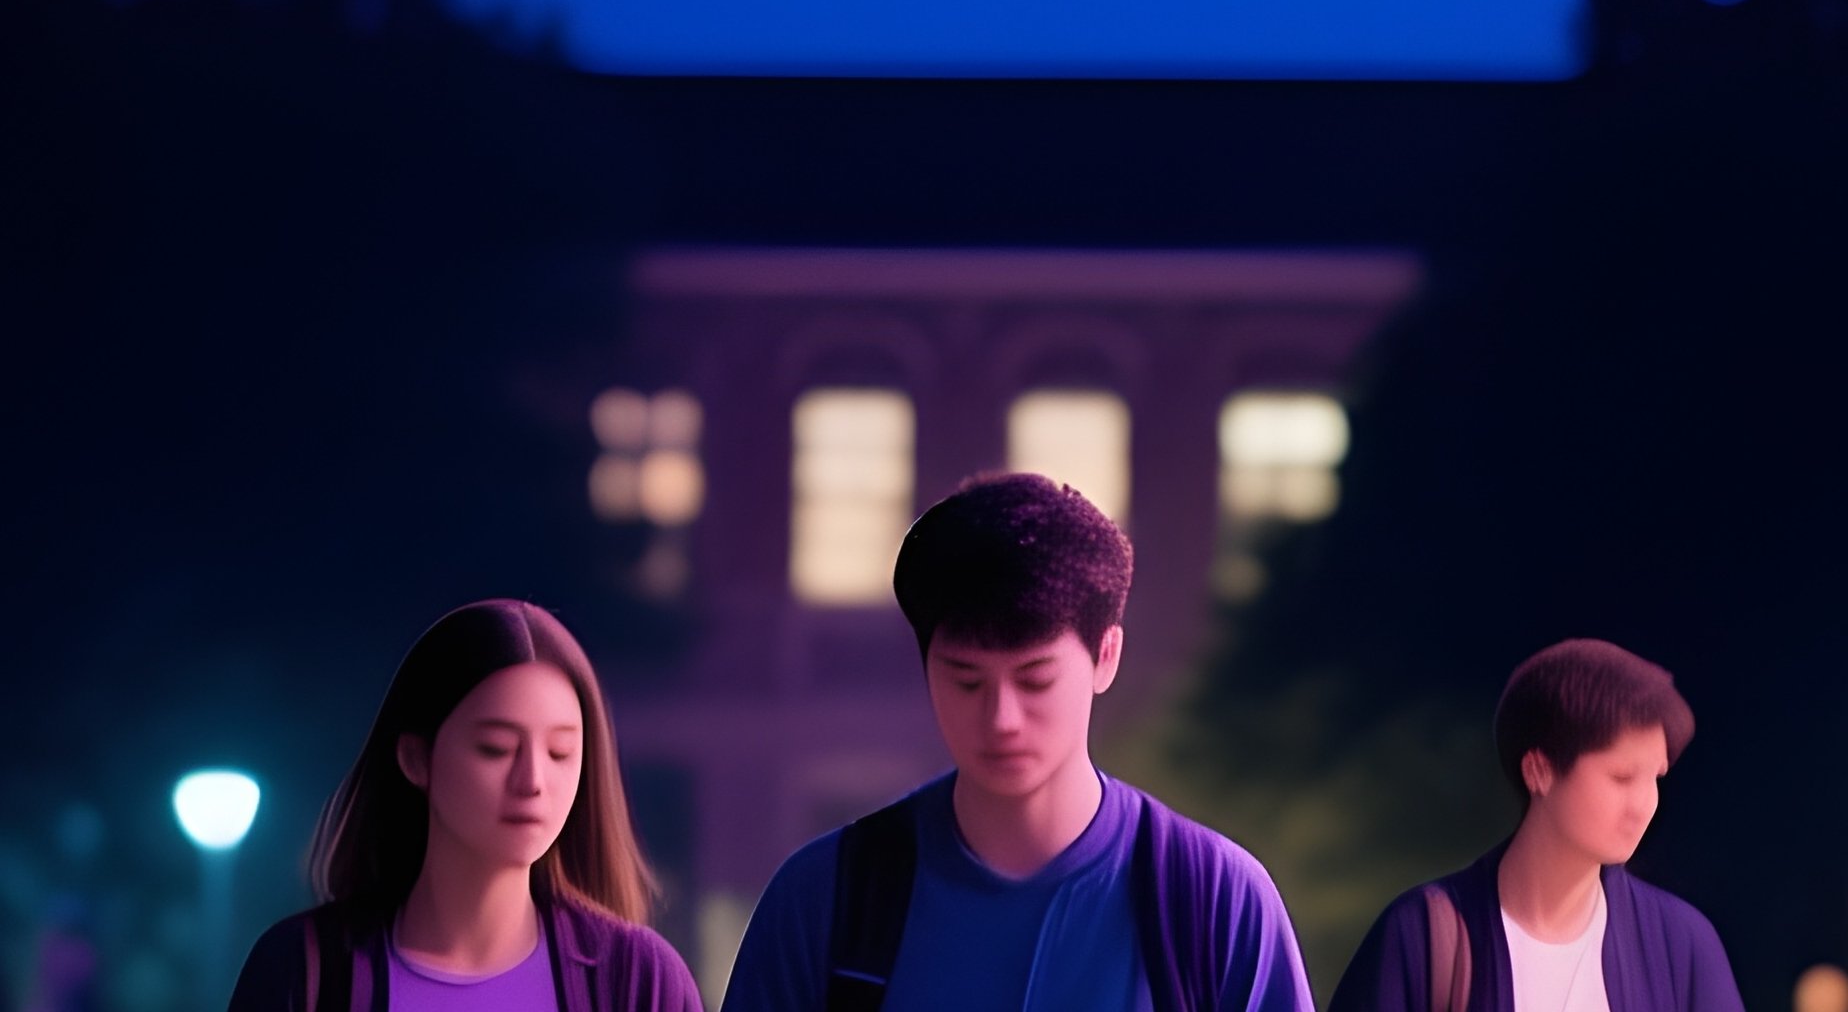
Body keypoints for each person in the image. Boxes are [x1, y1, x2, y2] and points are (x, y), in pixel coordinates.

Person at [721, 471, 1314, 1012]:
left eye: (1035, 680)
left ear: (1105, 656)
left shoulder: (1211, 901)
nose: (1002, 717)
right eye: (966, 679)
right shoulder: (827, 899)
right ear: (925, 665)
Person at [229, 598, 701, 1012]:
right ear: (416, 759)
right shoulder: (306, 971)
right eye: (495, 748)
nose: (533, 781)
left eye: (561, 753)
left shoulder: (638, 980)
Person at [1328, 638, 1743, 1012]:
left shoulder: (1681, 944)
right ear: (1539, 771)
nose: (1644, 805)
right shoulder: (1421, 935)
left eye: (1655, 778)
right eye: (1620, 777)